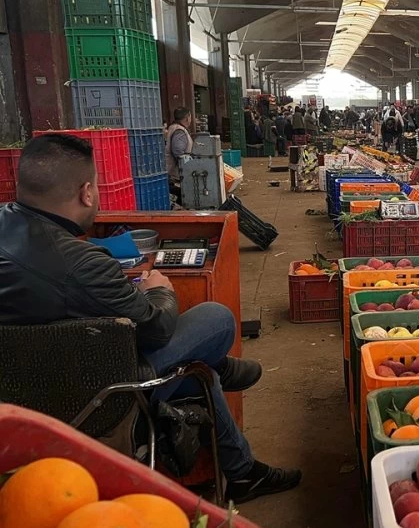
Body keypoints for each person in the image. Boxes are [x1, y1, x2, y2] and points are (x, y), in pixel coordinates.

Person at [0, 134, 303, 503]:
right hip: (102, 394)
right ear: (87, 193)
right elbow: (157, 329)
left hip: (17, 398)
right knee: (216, 319)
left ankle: (241, 471)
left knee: (199, 375)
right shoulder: (83, 264)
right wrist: (160, 289)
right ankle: (221, 373)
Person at [165, 107, 193, 201]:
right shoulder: (179, 131)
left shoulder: (174, 127)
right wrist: (187, 166)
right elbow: (178, 151)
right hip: (174, 173)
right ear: (187, 118)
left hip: (173, 173)